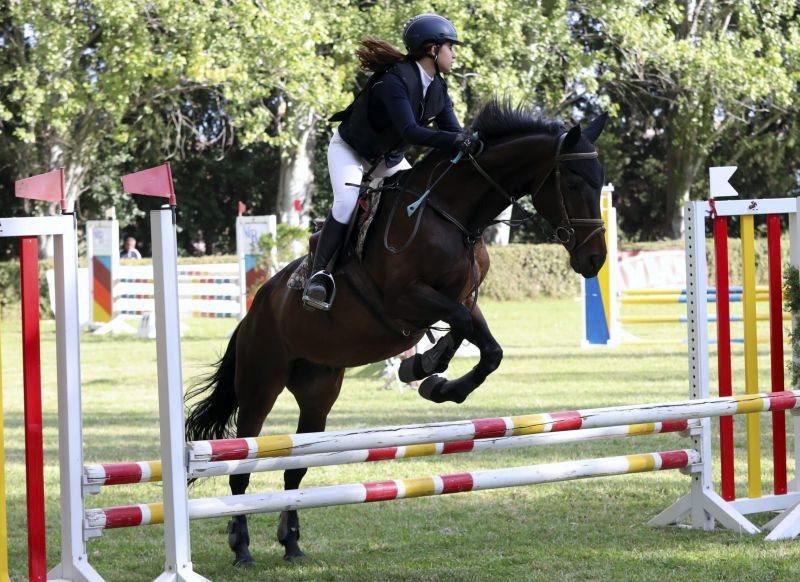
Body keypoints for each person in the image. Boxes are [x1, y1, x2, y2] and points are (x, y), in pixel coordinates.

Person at [303, 12, 479, 311]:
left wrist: (473, 141)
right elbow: (410, 131)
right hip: (351, 150)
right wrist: (457, 140)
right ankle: (319, 277)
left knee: (422, 201)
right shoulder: (394, 81)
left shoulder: (438, 87)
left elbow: (453, 133)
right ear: (432, 49)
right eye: (451, 46)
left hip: (389, 158)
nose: (454, 54)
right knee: (346, 202)